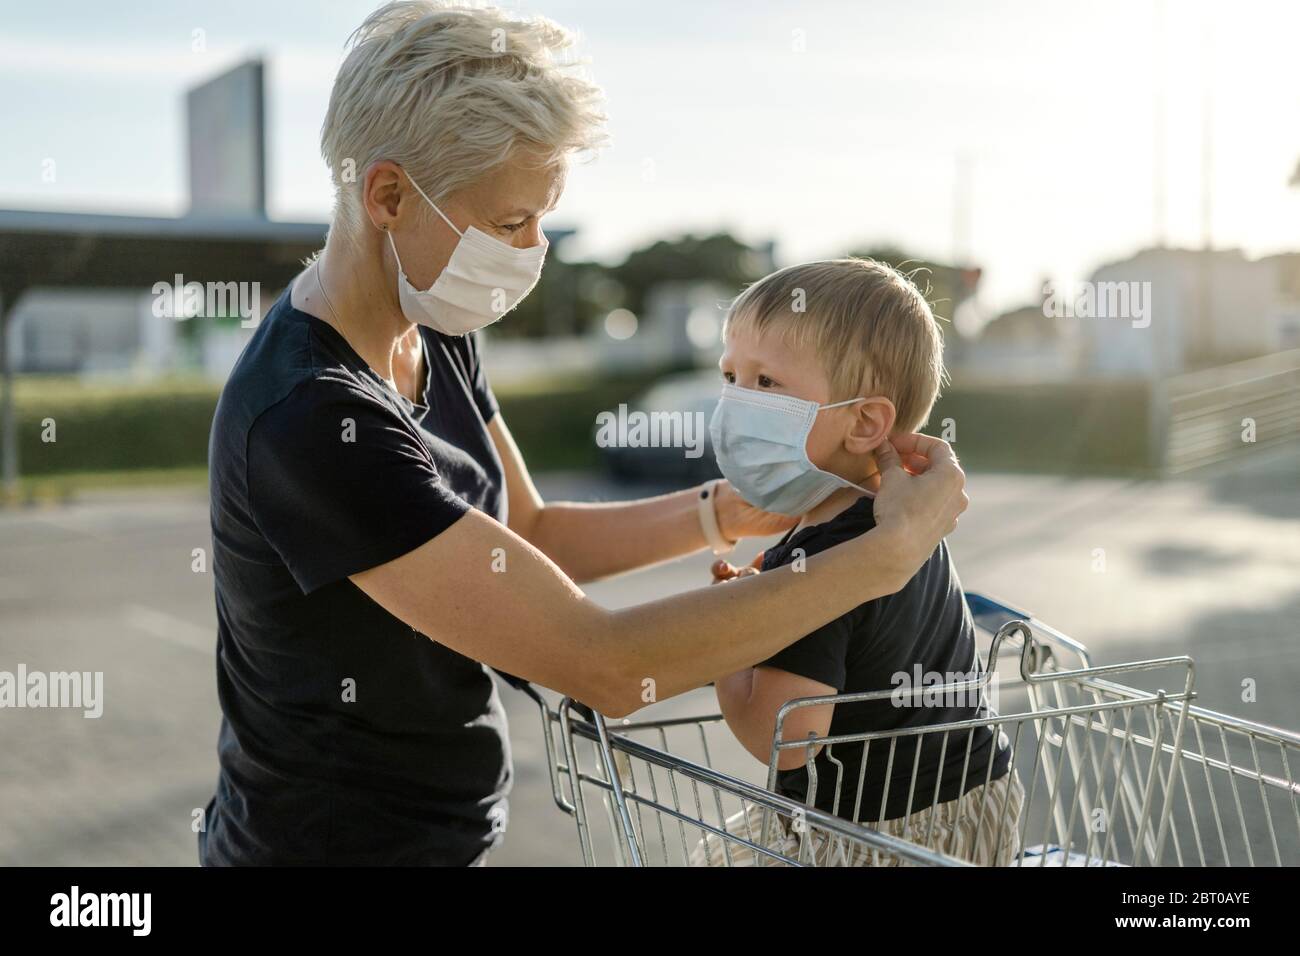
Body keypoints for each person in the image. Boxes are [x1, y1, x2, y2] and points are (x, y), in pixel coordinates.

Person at [199, 2, 967, 866]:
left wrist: (725, 510)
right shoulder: (311, 417)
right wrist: (882, 557)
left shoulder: (434, 326)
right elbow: (602, 665)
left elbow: (522, 535)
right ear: (387, 195)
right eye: (508, 222)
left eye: (542, 216)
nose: (536, 248)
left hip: (443, 833)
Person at [694, 259, 1022, 867]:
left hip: (868, 837)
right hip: (974, 808)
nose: (737, 401)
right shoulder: (902, 520)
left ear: (866, 420)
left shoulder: (818, 558)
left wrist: (730, 637)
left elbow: (786, 736)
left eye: (766, 383)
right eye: (730, 376)